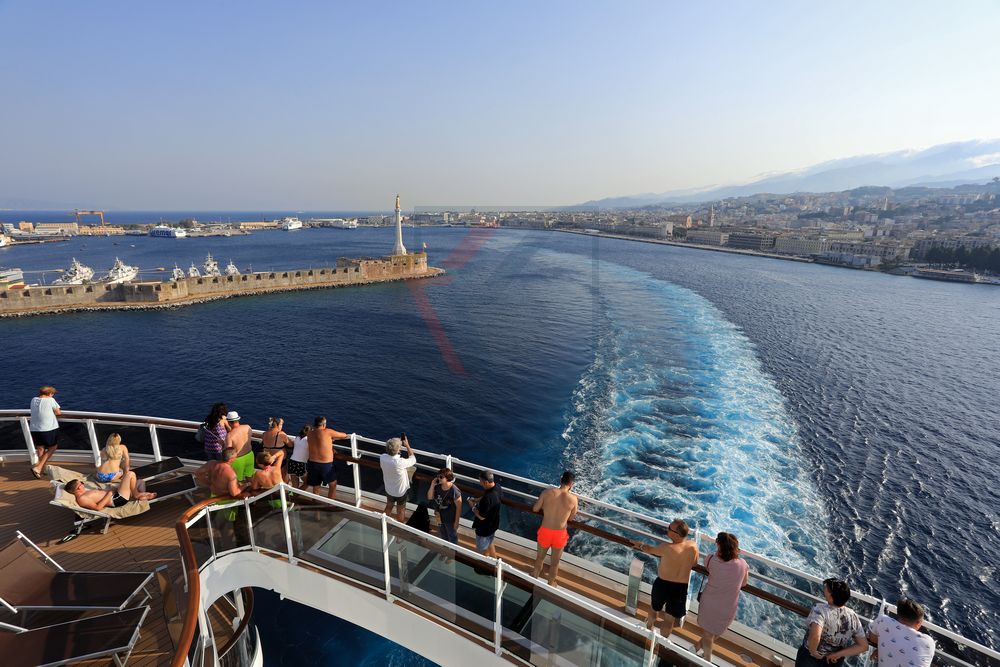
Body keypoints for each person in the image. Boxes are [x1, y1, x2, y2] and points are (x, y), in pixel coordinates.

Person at [631, 518, 699, 637]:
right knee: (669, 619)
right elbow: (694, 564)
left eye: (669, 528)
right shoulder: (693, 546)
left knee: (654, 609)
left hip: (662, 584)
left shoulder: (666, 547)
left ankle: (648, 630)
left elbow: (649, 549)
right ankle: (663, 643)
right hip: (680, 589)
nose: (667, 529)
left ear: (676, 534)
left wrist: (639, 545)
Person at [696, 532, 749, 659]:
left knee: (708, 633)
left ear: (718, 545)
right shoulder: (743, 564)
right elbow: (744, 583)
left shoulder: (710, 559)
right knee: (714, 632)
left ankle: (707, 659)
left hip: (709, 602)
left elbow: (710, 569)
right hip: (728, 606)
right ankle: (698, 649)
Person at [796, 578, 869, 667]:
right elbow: (864, 646)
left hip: (810, 658)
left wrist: (813, 652)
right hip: (833, 660)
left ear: (831, 595)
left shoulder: (820, 610)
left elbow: (815, 636)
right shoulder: (853, 616)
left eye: (825, 588)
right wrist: (837, 654)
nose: (824, 589)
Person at [531, 470, 578, 587]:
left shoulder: (546, 493)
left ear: (560, 480)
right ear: (571, 484)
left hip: (545, 530)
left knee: (540, 558)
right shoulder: (573, 499)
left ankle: (534, 576)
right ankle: (551, 582)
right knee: (555, 563)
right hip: (560, 533)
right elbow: (571, 518)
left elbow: (535, 509)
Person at [867, 599, 935, 667]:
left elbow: (872, 638)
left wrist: (883, 649)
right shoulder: (929, 642)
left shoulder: (882, 620)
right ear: (918, 623)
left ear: (898, 614)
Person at [65, 471, 156, 510]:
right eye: (81, 483)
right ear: (78, 489)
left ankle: (141, 496)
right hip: (117, 499)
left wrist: (111, 489)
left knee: (140, 482)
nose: (83, 484)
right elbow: (97, 508)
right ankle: (136, 495)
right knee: (130, 474)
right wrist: (109, 494)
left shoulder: (84, 494)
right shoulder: (82, 499)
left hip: (116, 494)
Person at [306, 416, 347, 500]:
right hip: (325, 465)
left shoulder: (309, 433)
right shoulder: (328, 432)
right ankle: (330, 505)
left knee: (316, 486)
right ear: (324, 425)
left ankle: (315, 503)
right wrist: (331, 438)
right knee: (333, 485)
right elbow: (343, 435)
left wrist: (329, 440)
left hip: (312, 463)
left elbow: (319, 441)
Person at [380, 434, 417, 522]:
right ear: (398, 450)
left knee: (389, 506)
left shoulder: (382, 457)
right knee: (400, 510)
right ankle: (399, 527)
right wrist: (407, 445)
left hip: (389, 489)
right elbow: (413, 459)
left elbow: (390, 455)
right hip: (401, 492)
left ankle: (383, 522)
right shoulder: (400, 462)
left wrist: (397, 445)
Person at [29, 385, 61, 479]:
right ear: (50, 393)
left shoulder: (33, 400)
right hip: (48, 428)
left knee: (40, 448)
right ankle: (38, 468)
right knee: (53, 447)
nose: (53, 395)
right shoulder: (50, 400)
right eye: (53, 394)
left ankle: (41, 470)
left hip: (35, 428)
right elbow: (58, 412)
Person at [470, 470, 502, 558]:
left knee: (482, 548)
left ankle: (484, 562)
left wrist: (472, 506)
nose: (480, 483)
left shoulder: (487, 498)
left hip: (484, 529)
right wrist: (477, 500)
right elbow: (486, 496)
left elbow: (481, 517)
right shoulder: (497, 487)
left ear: (486, 482)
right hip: (493, 524)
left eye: (480, 481)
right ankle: (494, 559)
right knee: (490, 542)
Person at [427, 467, 462, 544]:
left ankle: (453, 550)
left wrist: (456, 522)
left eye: (441, 477)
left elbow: (459, 508)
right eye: (438, 476)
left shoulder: (454, 491)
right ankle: (446, 548)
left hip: (450, 519)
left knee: (452, 537)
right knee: (443, 534)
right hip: (439, 516)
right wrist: (432, 485)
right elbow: (430, 497)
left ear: (447, 478)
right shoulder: (437, 486)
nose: (438, 478)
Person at [225, 411, 254, 482]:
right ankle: (251, 488)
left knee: (238, 480)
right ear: (238, 419)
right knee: (250, 477)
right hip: (250, 455)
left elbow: (229, 452)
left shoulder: (229, 435)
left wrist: (222, 443)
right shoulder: (247, 427)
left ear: (229, 422)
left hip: (238, 460)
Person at [262, 417, 292, 481]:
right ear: (277, 425)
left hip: (268, 459)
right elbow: (291, 445)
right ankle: (284, 487)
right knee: (284, 477)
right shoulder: (281, 434)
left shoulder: (264, 434)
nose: (282, 426)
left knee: (271, 478)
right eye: (281, 424)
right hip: (280, 460)